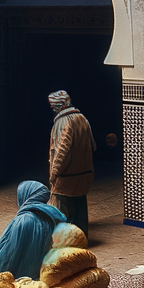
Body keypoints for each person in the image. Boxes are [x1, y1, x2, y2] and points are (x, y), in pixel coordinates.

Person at [48, 89, 95, 236]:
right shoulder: (82, 118)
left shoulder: (63, 122)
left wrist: (54, 174)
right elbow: (93, 145)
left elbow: (61, 152)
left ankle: (68, 242)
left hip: (66, 177)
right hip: (85, 173)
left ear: (57, 106)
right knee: (80, 208)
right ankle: (82, 238)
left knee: (64, 213)